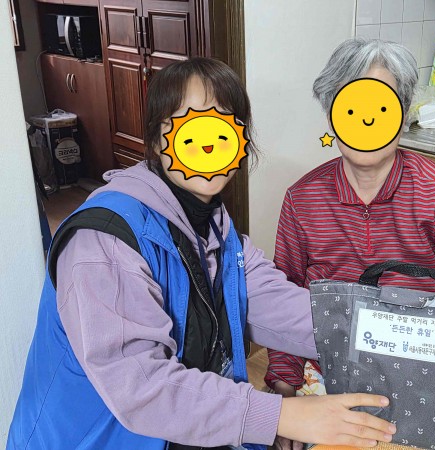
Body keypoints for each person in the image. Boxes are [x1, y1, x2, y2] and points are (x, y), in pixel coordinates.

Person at [7, 57, 397, 450]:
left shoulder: (216, 231)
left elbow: (286, 309)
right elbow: (143, 389)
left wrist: (394, 333)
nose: (209, 142)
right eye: (191, 125)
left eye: (224, 125)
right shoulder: (103, 242)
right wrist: (281, 415)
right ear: (156, 140)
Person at [265, 39, 435, 450]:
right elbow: (285, 297)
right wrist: (284, 393)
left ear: (401, 116)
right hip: (330, 373)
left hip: (423, 375)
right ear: (332, 117)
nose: (367, 121)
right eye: (352, 108)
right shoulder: (302, 199)